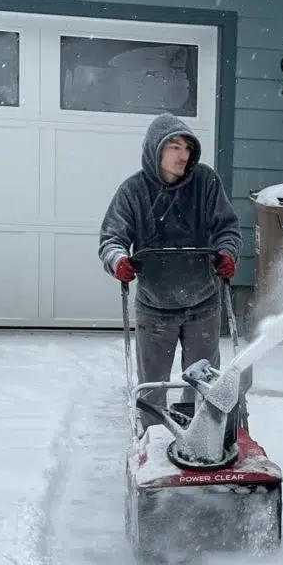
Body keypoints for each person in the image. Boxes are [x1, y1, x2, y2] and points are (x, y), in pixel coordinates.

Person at [98, 112, 242, 426]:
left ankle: (202, 434)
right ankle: (151, 435)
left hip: (202, 302)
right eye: (175, 147)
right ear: (156, 151)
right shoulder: (133, 191)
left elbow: (228, 229)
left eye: (187, 148)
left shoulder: (205, 183)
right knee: (153, 385)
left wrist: (227, 253)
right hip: (155, 306)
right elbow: (112, 237)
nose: (183, 155)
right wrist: (119, 261)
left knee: (204, 382)